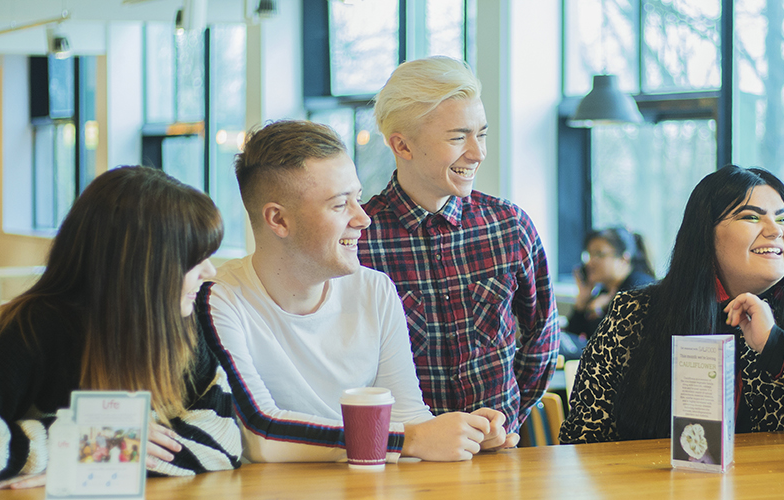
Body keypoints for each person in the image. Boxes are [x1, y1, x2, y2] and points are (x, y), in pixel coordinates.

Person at [0, 167, 241, 493]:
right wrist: (75, 441)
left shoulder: (183, 324)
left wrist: (107, 451)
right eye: (193, 260)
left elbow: (222, 440)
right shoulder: (38, 327)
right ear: (143, 267)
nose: (209, 271)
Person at [207, 120, 515, 464]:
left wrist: (462, 437)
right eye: (340, 205)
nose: (363, 218)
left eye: (358, 198)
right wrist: (409, 439)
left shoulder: (375, 289)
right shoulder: (219, 298)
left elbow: (408, 419)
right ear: (278, 220)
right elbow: (260, 433)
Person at [561, 165, 784, 443]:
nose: (775, 230)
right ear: (705, 234)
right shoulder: (636, 313)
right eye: (751, 217)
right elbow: (583, 438)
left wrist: (778, 345)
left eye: (783, 218)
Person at [359, 56, 559, 431]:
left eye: (480, 134)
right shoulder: (359, 240)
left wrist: (504, 420)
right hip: (402, 461)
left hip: (498, 455)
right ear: (402, 146)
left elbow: (542, 338)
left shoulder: (508, 226)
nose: (478, 152)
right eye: (457, 137)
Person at [560, 227, 656, 359]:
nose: (590, 262)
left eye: (599, 254)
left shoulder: (638, 289)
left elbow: (614, 347)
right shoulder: (605, 290)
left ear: (624, 259)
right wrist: (582, 300)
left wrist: (596, 312)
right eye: (589, 254)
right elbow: (570, 342)